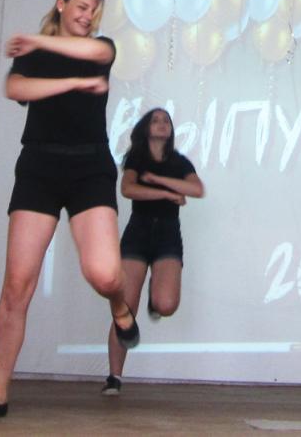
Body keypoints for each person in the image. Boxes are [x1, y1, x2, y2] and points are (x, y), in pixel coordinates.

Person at [0, 0, 140, 421]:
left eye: (94, 11)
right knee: (16, 286)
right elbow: (16, 89)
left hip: (89, 169)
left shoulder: (99, 48)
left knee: (104, 274)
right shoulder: (37, 54)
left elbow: (95, 53)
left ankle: (119, 306)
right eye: (81, 7)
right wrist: (70, 84)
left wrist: (39, 42)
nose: (88, 16)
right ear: (61, 3)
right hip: (39, 168)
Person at [102, 107, 204, 396]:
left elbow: (196, 189)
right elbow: (128, 189)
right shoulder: (136, 158)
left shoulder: (179, 161)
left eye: (166, 121)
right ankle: (114, 377)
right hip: (138, 232)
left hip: (168, 235)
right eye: (156, 120)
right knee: (125, 309)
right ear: (146, 128)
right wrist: (169, 193)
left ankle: (154, 295)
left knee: (166, 304)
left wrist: (159, 181)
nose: (162, 124)